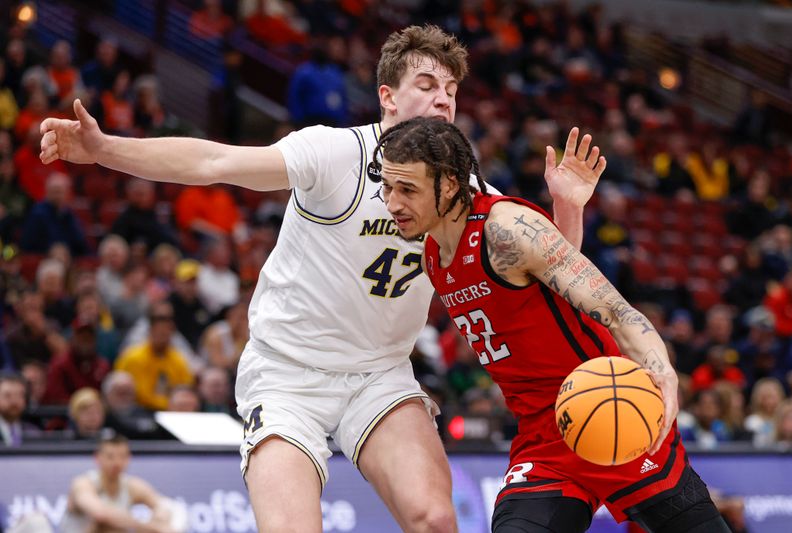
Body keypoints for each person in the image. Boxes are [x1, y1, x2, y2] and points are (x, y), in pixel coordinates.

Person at [39, 25, 598, 532]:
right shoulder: (335, 153)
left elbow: (549, 273)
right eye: (427, 83)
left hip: (377, 375)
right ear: (387, 97)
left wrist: (567, 208)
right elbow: (213, 162)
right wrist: (104, 149)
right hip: (288, 374)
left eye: (451, 90)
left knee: (433, 519)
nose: (442, 97)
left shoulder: (466, 192)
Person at [376, 116, 729, 532]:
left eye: (407, 189)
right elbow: (544, 290)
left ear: (450, 183)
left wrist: (661, 368)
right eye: (387, 187)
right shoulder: (434, 252)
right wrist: (568, 211)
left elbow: (614, 310)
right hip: (544, 437)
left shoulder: (504, 230)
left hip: (608, 405)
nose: (392, 202)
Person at [60, 432, 181, 533]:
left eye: (122, 456)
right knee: (107, 526)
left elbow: (162, 504)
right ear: (97, 458)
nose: (117, 463)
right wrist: (153, 527)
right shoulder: (83, 484)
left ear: (129, 458)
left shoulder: (132, 486)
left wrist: (160, 516)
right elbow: (100, 514)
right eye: (110, 457)